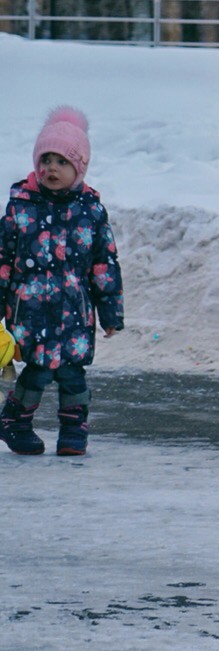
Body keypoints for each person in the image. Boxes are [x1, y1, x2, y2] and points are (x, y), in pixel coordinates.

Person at [1, 108, 123, 456]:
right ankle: (15, 422)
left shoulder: (91, 212)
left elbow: (104, 266)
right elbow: (2, 262)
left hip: (74, 313)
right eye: (45, 160)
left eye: (61, 162)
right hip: (31, 311)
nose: (50, 169)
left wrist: (111, 314)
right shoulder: (21, 209)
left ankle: (74, 431)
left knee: (72, 375)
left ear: (79, 168)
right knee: (37, 372)